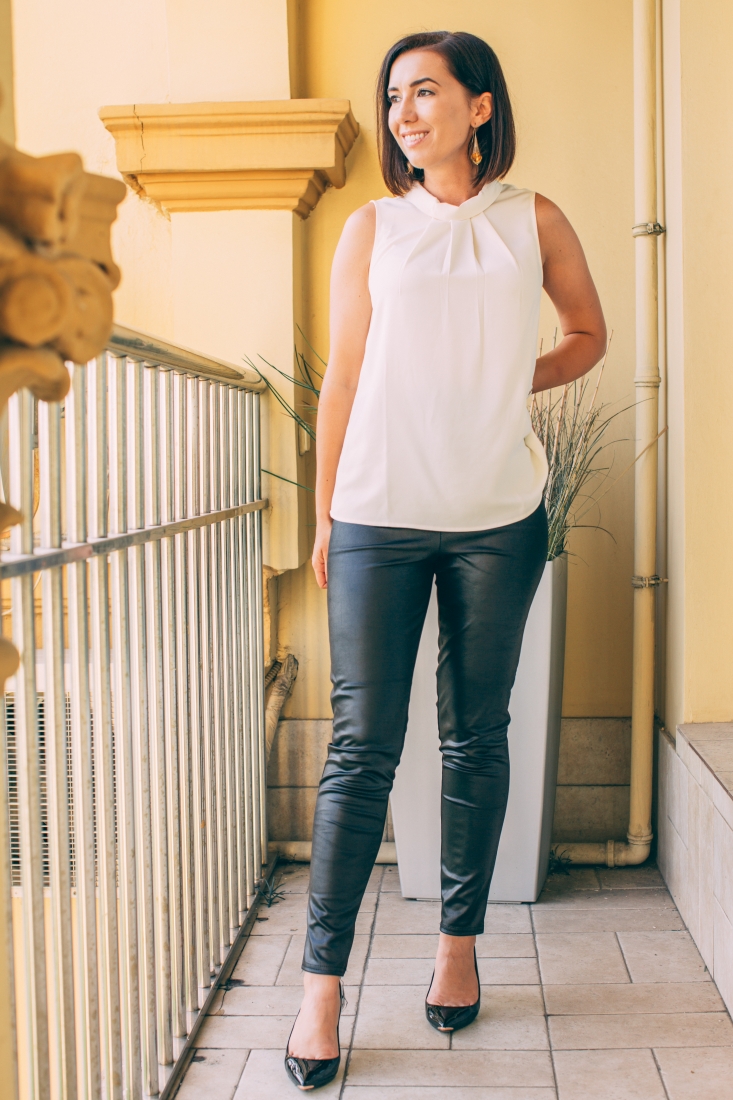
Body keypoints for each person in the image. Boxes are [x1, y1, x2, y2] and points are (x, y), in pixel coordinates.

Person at [284, 29, 606, 1090]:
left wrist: (507, 384)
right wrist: (328, 512)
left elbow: (585, 335)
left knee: (475, 734)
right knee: (362, 747)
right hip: (377, 510)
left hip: (495, 515)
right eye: (392, 98)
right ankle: (321, 984)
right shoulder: (372, 227)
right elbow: (342, 379)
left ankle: (457, 945)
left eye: (425, 92)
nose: (404, 113)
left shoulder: (533, 220)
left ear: (478, 106)